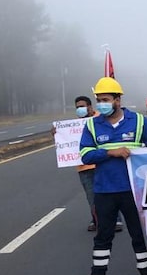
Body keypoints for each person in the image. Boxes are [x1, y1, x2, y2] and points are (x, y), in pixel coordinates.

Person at [72, 77, 147, 275]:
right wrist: (110, 152)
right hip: (104, 189)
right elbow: (86, 154)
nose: (101, 104)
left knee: (138, 235)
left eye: (106, 100)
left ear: (118, 100)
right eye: (99, 100)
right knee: (103, 236)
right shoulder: (92, 125)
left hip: (134, 190)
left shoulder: (137, 121)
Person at [52, 96, 124, 233]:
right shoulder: (72, 125)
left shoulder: (101, 119)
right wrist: (57, 134)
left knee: (110, 193)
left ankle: (115, 219)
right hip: (84, 167)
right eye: (77, 107)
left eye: (82, 106)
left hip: (102, 163)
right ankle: (97, 220)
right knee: (91, 197)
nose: (80, 109)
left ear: (90, 107)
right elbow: (67, 142)